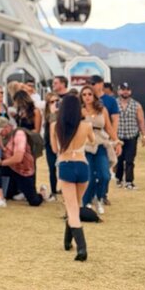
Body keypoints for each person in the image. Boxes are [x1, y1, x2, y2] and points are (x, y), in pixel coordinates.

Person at [50, 93, 95, 261]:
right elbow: (93, 141)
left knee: (72, 208)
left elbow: (55, 149)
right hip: (82, 166)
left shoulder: (55, 126)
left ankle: (82, 248)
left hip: (66, 165)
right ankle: (67, 241)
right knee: (75, 204)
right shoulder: (86, 126)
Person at [80, 85, 117, 216]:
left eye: (89, 94)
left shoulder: (102, 110)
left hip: (101, 143)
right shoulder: (80, 111)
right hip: (85, 145)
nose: (87, 97)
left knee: (104, 175)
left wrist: (116, 141)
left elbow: (109, 127)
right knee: (89, 176)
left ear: (94, 96)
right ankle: (86, 201)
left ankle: (99, 197)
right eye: (84, 95)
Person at [0, 118, 45, 206]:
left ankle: (42, 193)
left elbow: (18, 158)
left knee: (34, 202)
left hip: (24, 170)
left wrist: (1, 162)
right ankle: (0, 198)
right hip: (11, 167)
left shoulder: (19, 135)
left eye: (0, 131)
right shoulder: (1, 136)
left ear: (7, 127)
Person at [90, 76, 120, 205]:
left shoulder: (110, 101)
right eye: (90, 84)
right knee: (91, 170)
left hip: (103, 138)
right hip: (87, 140)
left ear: (101, 84)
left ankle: (103, 194)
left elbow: (114, 120)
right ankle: (90, 195)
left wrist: (114, 139)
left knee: (105, 169)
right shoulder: (84, 102)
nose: (92, 86)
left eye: (94, 83)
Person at [114, 82, 145, 190]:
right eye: (123, 89)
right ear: (118, 91)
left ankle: (129, 181)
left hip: (131, 135)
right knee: (119, 159)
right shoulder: (114, 104)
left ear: (130, 91)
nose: (125, 92)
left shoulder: (136, 105)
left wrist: (144, 135)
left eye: (127, 90)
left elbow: (141, 120)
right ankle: (118, 178)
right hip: (118, 136)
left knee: (130, 160)